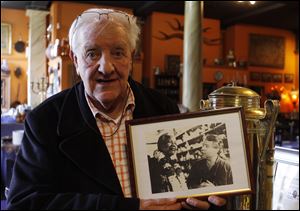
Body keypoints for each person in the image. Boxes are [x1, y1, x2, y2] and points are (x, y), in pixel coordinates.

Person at [7, 8, 226, 210]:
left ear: (131, 56)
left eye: (118, 52)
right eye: (92, 53)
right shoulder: (46, 121)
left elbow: (181, 187)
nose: (106, 67)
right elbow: (25, 203)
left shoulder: (163, 108)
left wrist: (195, 199)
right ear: (75, 60)